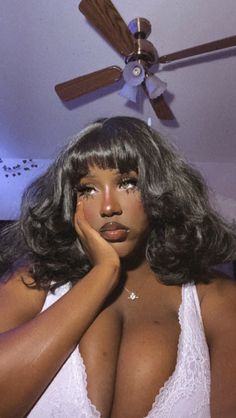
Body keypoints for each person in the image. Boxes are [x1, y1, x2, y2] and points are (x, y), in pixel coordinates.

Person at [0, 116, 236, 418]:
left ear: (160, 190)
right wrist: (103, 273)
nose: (109, 206)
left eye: (128, 183)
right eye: (88, 189)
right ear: (70, 201)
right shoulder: (31, 284)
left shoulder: (216, 299)